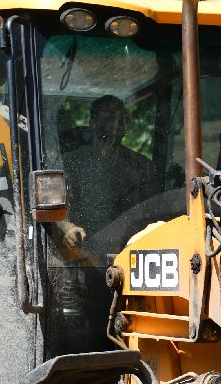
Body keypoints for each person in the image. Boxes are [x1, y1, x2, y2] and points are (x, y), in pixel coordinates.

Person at [50, 95, 156, 260]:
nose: (114, 126)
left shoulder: (141, 165)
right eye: (108, 118)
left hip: (128, 252)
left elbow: (150, 213)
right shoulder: (70, 163)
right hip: (80, 253)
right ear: (93, 123)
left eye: (120, 120)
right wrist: (67, 228)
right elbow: (53, 207)